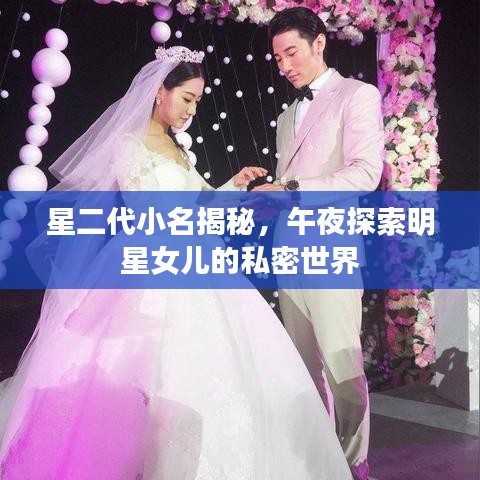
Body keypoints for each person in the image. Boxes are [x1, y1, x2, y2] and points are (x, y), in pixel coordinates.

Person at [0, 46, 352, 479]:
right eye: (187, 98)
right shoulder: (129, 145)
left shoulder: (175, 147)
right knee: (145, 370)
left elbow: (199, 203)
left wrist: (233, 185)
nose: (191, 110)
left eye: (197, 102)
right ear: (158, 92)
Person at [253, 8, 385, 480]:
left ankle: (354, 466)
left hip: (331, 249)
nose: (285, 66)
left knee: (342, 368)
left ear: (319, 43)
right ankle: (317, 466)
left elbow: (366, 173)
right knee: (302, 369)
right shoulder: (286, 116)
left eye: (291, 53)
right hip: (288, 251)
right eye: (278, 58)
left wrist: (291, 190)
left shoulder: (358, 95)